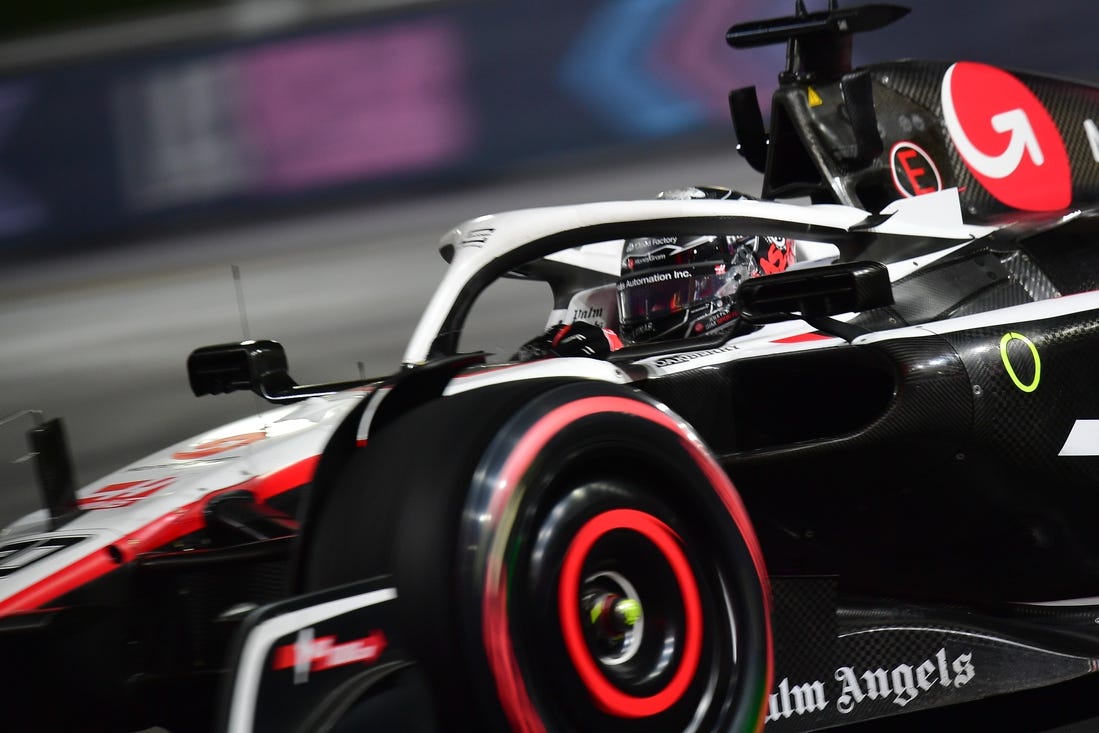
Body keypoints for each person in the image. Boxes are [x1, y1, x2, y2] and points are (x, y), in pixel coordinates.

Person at [514, 186, 796, 361]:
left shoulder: (794, 344)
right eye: (644, 299)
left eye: (678, 295)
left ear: (744, 276)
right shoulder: (604, 343)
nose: (654, 313)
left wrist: (621, 353)